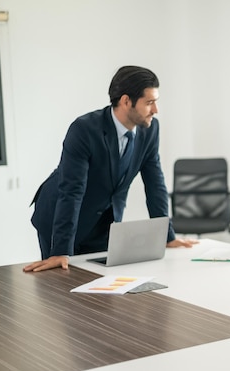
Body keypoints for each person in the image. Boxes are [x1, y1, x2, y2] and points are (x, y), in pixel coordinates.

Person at [24, 66, 196, 273]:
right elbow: (72, 191)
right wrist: (60, 250)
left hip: (103, 219)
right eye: (149, 102)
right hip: (59, 215)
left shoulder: (150, 130)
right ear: (126, 101)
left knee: (101, 286)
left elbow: (155, 183)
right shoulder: (84, 129)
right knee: (63, 284)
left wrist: (167, 237)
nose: (156, 110)